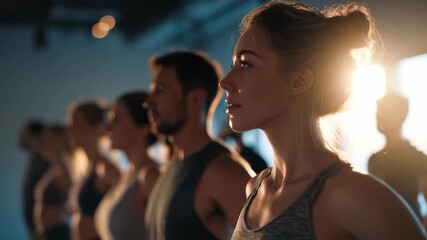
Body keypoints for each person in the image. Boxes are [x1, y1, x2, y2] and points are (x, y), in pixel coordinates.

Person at [219, 1, 427, 239]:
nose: (225, 82)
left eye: (245, 64)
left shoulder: (350, 195)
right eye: (233, 64)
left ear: (299, 81)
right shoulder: (254, 189)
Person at [144, 50, 253, 240]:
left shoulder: (221, 171)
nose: (148, 101)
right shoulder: (175, 167)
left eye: (160, 90)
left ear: (195, 98)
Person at [94, 92, 160, 240]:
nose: (108, 128)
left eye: (116, 120)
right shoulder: (126, 175)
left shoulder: (151, 177)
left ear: (143, 128)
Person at [369, 91, 427, 222]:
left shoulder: (416, 158)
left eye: (383, 111)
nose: (378, 116)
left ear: (400, 117)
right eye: (378, 111)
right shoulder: (374, 160)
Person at [69, 101, 120, 240]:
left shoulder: (106, 169)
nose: (71, 131)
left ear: (96, 128)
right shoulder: (87, 168)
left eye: (77, 125)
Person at [33, 124, 73, 240]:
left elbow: (74, 202)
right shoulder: (54, 167)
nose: (43, 144)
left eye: (48, 140)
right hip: (48, 232)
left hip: (58, 231)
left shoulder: (65, 168)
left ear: (59, 141)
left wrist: (63, 213)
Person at [19, 120, 51, 239]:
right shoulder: (34, 160)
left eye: (25, 133)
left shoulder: (44, 161)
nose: (21, 136)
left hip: (46, 230)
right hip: (36, 228)